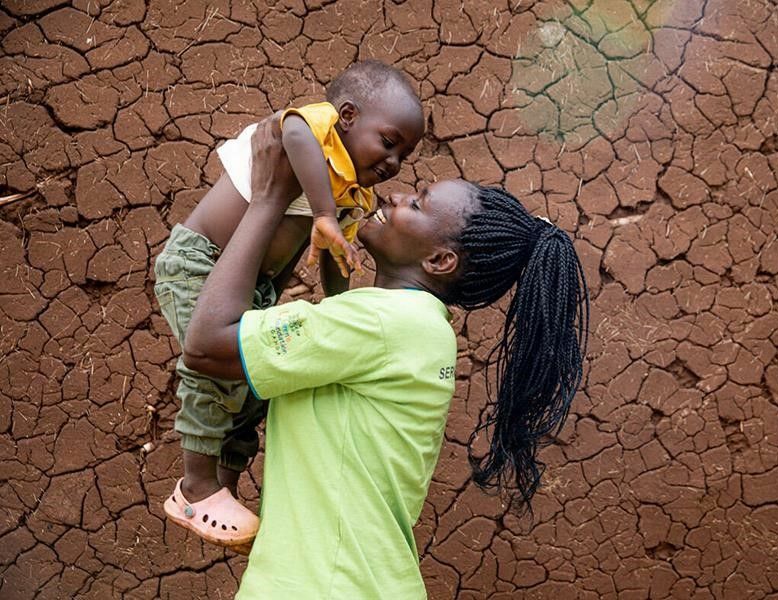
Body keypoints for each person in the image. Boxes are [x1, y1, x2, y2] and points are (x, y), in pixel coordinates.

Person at [178, 116, 590, 597]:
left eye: (417, 204)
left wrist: (269, 199)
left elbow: (205, 343)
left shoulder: (378, 322)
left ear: (439, 261)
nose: (396, 195)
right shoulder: (419, 329)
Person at [154, 59, 425, 550]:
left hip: (254, 288)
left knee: (258, 383)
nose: (394, 163)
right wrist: (323, 212)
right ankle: (194, 485)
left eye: (404, 154)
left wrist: (343, 305)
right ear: (345, 115)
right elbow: (293, 130)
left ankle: (227, 481)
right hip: (199, 264)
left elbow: (332, 256)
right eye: (389, 142)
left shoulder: (352, 192)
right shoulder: (313, 131)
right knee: (211, 370)